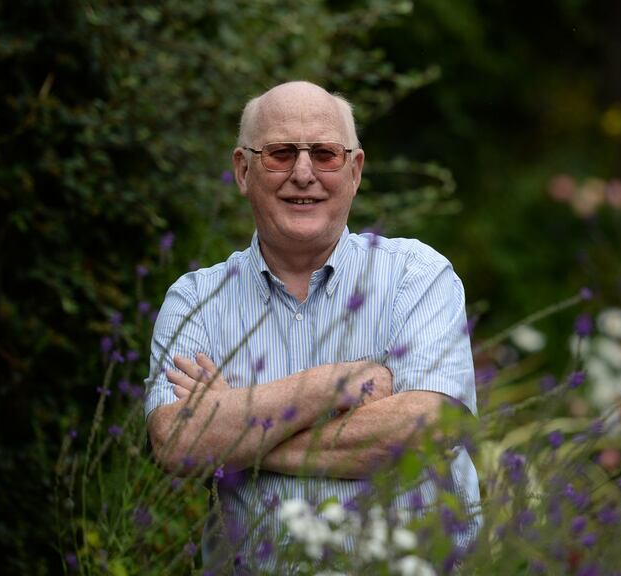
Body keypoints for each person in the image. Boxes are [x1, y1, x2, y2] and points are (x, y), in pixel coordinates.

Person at [143, 81, 480, 571]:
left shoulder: (418, 276)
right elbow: (177, 441)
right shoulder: (196, 300)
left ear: (354, 170)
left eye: (324, 155)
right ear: (243, 171)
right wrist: (335, 384)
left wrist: (240, 436)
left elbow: (427, 428)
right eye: (280, 154)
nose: (303, 174)